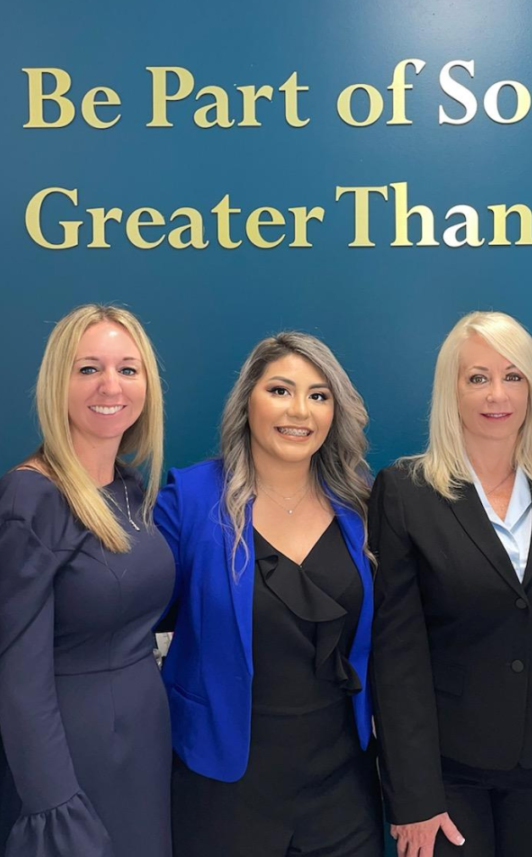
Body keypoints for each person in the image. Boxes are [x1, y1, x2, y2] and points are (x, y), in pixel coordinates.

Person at [156, 332, 383, 857]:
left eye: (319, 395)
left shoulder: (361, 506)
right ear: (247, 402)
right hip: (224, 785)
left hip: (342, 787)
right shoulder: (189, 501)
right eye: (281, 390)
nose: (300, 410)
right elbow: (125, 612)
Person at [371, 311, 532, 857]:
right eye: (478, 377)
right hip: (448, 771)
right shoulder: (405, 490)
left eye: (513, 376)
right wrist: (413, 795)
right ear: (452, 389)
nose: (498, 394)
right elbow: (396, 654)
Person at [0, 304, 173, 857]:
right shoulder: (29, 500)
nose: (110, 385)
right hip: (70, 760)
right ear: (56, 383)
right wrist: (53, 807)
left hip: (143, 743)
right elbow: (17, 674)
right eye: (88, 369)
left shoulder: (131, 489)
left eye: (127, 369)